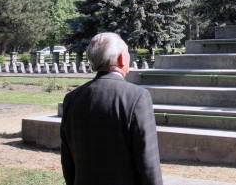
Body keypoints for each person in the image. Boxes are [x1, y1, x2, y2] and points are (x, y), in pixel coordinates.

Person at [60, 32, 163, 185]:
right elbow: (149, 164)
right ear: (121, 58)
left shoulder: (72, 98)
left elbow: (67, 161)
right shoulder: (137, 97)